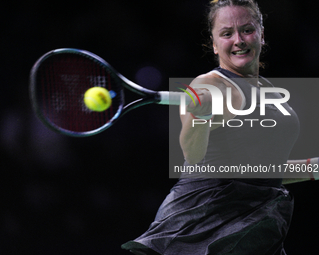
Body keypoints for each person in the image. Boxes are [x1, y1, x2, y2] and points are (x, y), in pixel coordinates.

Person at [122, 0, 318, 254]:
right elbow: (192, 154)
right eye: (227, 33)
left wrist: (314, 167)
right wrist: (201, 117)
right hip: (202, 225)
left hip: (256, 225)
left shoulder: (268, 90)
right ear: (214, 45)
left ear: (261, 35)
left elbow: (260, 170)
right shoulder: (208, 85)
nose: (238, 39)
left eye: (247, 30)